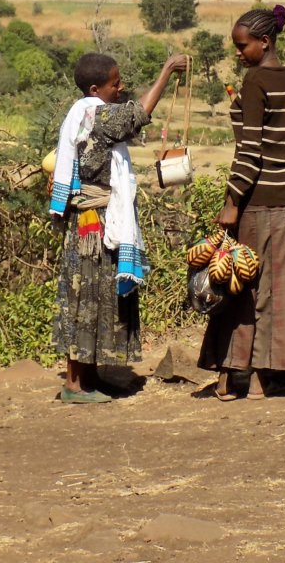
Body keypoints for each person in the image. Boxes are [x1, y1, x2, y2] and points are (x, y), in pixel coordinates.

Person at [50, 51, 189, 403]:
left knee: (92, 296)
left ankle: (89, 376)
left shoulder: (81, 113)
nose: (121, 87)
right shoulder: (97, 116)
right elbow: (140, 114)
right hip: (92, 226)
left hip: (91, 221)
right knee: (86, 298)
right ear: (96, 88)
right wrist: (167, 69)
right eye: (116, 83)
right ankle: (74, 385)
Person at [198, 7, 285, 399]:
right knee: (277, 287)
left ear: (264, 42)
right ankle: (272, 375)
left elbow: (249, 149)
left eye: (242, 45)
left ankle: (238, 374)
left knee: (240, 285)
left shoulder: (255, 82)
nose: (238, 53)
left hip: (254, 200)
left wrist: (232, 200)